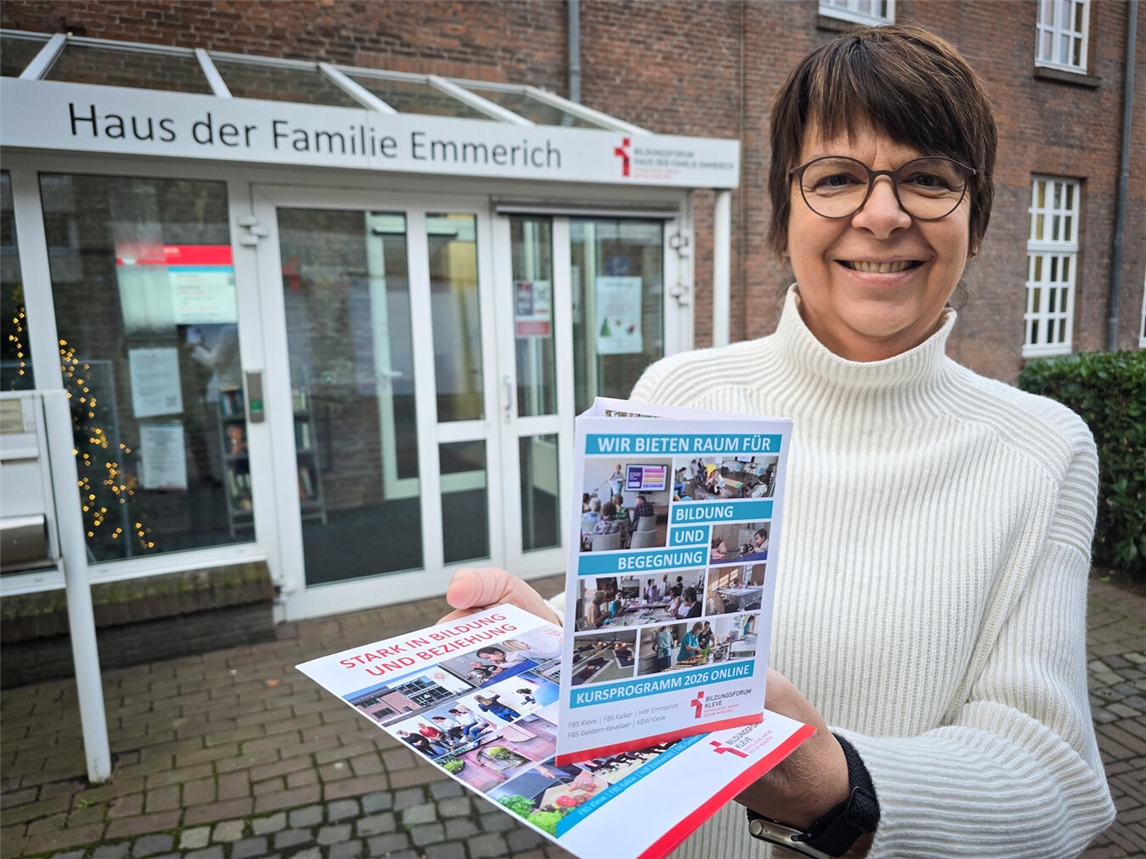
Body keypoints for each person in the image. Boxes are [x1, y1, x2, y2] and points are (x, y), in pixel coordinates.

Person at [439, 24, 1113, 858]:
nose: (882, 213)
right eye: (837, 177)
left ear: (974, 217)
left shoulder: (1043, 451)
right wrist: (555, 660)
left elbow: (1055, 778)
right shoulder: (678, 397)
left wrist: (839, 789)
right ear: (783, 206)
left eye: (928, 179)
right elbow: (628, 700)